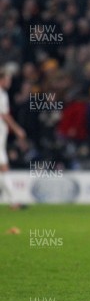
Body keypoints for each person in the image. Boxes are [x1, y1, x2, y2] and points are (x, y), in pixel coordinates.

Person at [0, 68, 27, 209]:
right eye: (7, 79)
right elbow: (4, 115)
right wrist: (17, 130)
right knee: (4, 168)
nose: (9, 82)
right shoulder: (2, 94)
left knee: (3, 169)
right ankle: (14, 201)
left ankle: (13, 201)